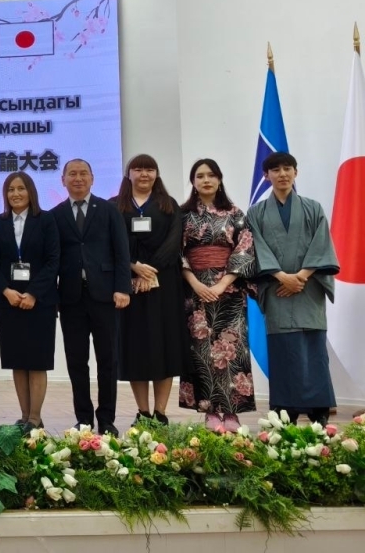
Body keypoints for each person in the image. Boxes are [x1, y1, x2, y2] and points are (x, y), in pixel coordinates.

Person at [246, 152, 340, 425]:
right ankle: (285, 409)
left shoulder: (313, 208)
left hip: (309, 288)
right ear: (266, 176)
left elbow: (322, 244)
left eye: (287, 168)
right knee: (283, 350)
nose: (282, 174)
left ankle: (319, 409)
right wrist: (281, 277)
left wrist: (299, 277)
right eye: (275, 170)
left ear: (296, 173)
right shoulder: (256, 213)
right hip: (277, 289)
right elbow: (256, 248)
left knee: (313, 350)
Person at [50, 158, 131, 436]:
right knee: (76, 361)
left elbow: (122, 252)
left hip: (105, 295)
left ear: (92, 178)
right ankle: (83, 418)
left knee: (108, 360)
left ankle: (106, 419)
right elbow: (51, 259)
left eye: (83, 173)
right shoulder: (55, 215)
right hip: (70, 298)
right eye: (72, 174)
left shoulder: (109, 210)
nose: (78, 178)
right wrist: (51, 296)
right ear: (63, 180)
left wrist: (123, 288)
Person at [177, 158, 257, 431]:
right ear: (193, 181)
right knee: (201, 352)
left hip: (230, 291)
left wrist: (223, 284)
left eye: (211, 175)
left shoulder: (235, 213)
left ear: (219, 179)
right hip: (195, 290)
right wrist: (195, 283)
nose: (206, 180)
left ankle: (232, 412)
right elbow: (176, 253)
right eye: (200, 176)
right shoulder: (182, 215)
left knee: (233, 350)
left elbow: (244, 250)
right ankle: (209, 411)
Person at [0, 172, 60, 433]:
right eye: (10, 189)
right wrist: (6, 291)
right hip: (9, 303)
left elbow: (53, 261)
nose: (15, 194)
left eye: (21, 188)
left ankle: (35, 418)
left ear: (31, 192)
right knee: (17, 360)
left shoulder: (46, 220)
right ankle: (24, 416)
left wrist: (33, 294)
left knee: (37, 361)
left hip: (40, 302)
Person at [114, 154, 185, 426]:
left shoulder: (168, 205)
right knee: (136, 348)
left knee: (164, 345)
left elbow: (174, 241)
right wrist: (134, 266)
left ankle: (161, 412)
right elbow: (111, 243)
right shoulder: (115, 205)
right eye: (138, 169)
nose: (144, 174)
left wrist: (151, 269)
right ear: (128, 174)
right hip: (129, 285)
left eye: (150, 169)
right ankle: (143, 412)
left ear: (156, 174)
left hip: (164, 284)